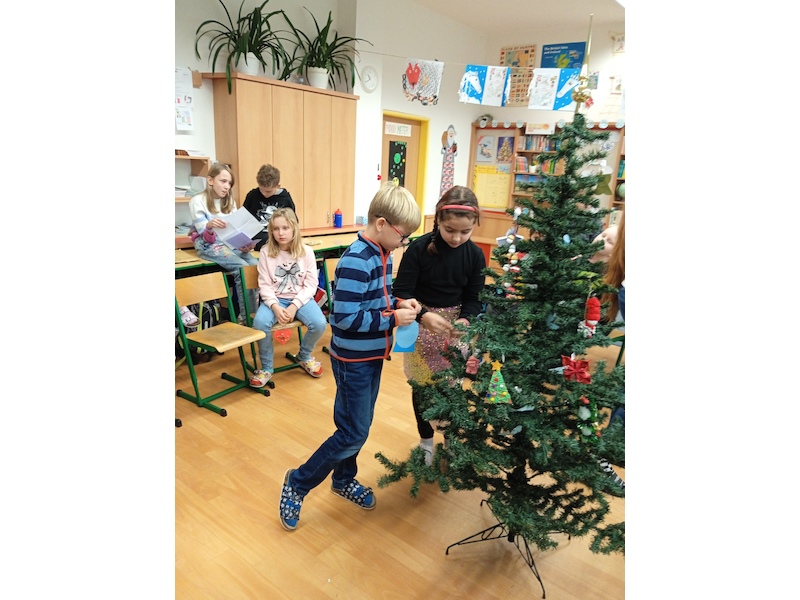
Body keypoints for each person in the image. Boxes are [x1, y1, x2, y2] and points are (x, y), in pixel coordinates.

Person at [279, 182, 422, 531]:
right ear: (382, 224)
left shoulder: (383, 253)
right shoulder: (358, 259)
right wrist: (393, 319)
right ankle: (297, 482)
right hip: (352, 362)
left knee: (358, 426)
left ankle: (343, 479)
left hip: (370, 357)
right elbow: (343, 318)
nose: (404, 242)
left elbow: (377, 298)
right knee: (353, 432)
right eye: (403, 235)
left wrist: (398, 303)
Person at [392, 186, 486, 465]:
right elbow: (401, 292)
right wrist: (423, 315)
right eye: (449, 230)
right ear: (438, 222)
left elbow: (475, 298)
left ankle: (451, 438)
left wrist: (465, 320)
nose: (457, 238)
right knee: (422, 389)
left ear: (474, 225)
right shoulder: (418, 249)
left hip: (455, 332)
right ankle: (426, 441)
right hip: (421, 330)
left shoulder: (475, 255)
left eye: (465, 232)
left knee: (452, 388)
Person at [249, 208, 327, 387]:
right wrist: (275, 306)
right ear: (271, 231)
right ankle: (266, 368)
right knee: (260, 323)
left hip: (301, 299)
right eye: (276, 229)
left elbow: (311, 285)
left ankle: (304, 356)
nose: (281, 233)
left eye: (285, 228)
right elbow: (264, 285)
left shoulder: (306, 252)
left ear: (294, 229)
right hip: (275, 300)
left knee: (319, 323)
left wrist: (294, 305)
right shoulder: (266, 251)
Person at [188, 162, 258, 323]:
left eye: (229, 183)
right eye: (223, 181)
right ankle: (246, 318)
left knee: (254, 266)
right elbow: (206, 237)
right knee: (242, 269)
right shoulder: (197, 201)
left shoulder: (229, 201)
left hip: (228, 242)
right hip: (208, 243)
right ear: (210, 180)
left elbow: (234, 231)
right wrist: (209, 227)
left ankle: (253, 314)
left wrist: (244, 244)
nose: (227, 186)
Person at [243, 164, 297, 251]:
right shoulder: (252, 196)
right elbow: (244, 219)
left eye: (268, 191)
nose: (264, 194)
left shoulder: (285, 198)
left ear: (278, 186)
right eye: (261, 190)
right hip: (256, 241)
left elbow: (293, 222)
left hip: (278, 239)